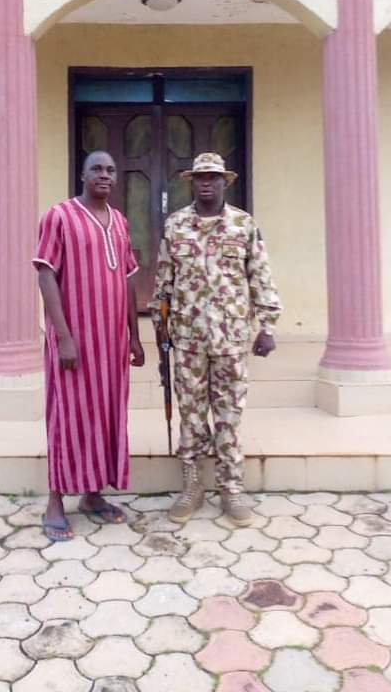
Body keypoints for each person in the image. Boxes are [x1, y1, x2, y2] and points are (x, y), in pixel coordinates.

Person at [151, 152, 281, 527]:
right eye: (200, 177)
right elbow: (164, 281)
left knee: (229, 416)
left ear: (226, 182)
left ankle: (231, 488)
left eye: (214, 177)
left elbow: (260, 275)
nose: (207, 182)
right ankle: (192, 487)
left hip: (232, 340)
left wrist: (267, 326)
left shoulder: (243, 225)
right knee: (191, 416)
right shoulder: (175, 225)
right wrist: (160, 327)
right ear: (192, 182)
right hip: (188, 339)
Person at [33, 150, 145, 541]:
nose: (104, 175)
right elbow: (46, 274)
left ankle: (92, 496)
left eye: (111, 170)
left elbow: (129, 279)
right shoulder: (59, 216)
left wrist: (135, 336)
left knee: (106, 415)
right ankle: (55, 501)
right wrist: (63, 336)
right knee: (67, 416)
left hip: (111, 343)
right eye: (96, 168)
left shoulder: (119, 222)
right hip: (75, 342)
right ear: (82, 174)